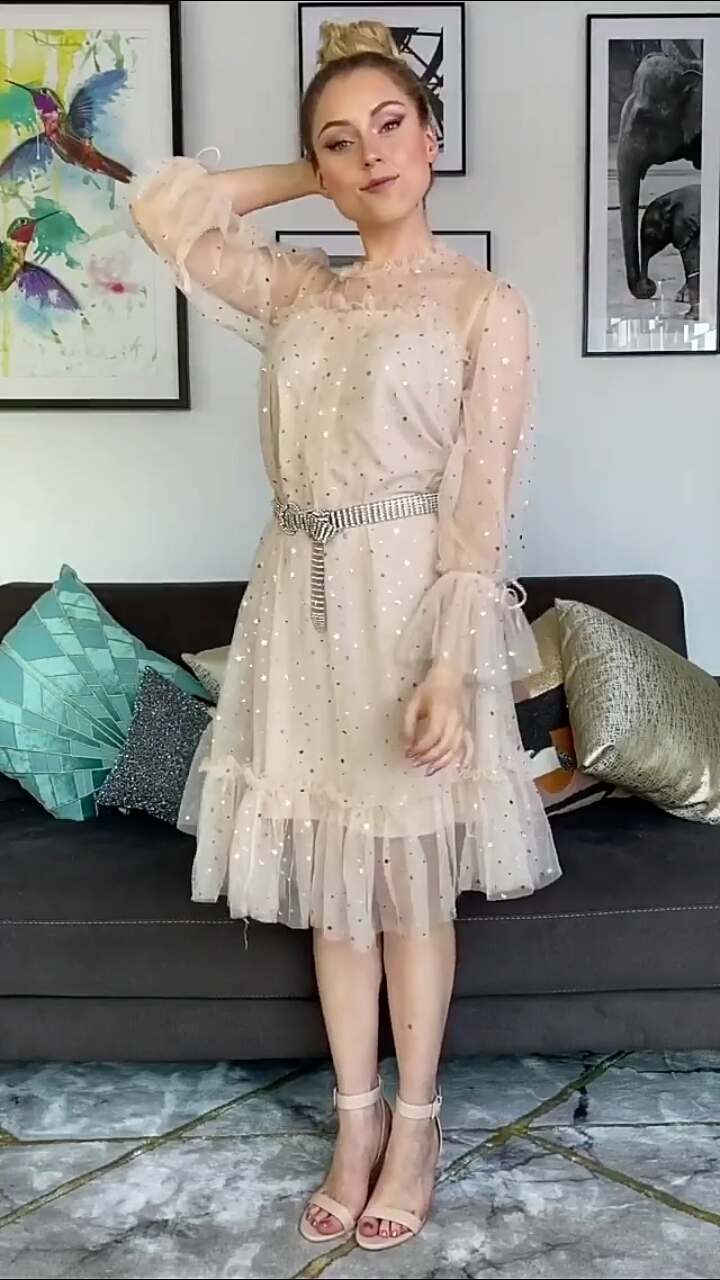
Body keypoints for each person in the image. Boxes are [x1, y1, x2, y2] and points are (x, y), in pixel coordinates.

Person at [130, 18, 561, 1253]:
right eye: (338, 140)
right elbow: (165, 212)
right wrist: (300, 174)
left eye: (389, 124)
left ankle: (416, 1124)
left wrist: (451, 668)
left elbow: (482, 506)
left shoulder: (485, 306)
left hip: (412, 613)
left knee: (408, 884)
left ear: (432, 137)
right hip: (294, 606)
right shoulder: (299, 291)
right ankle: (355, 1119)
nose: (370, 153)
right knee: (333, 889)